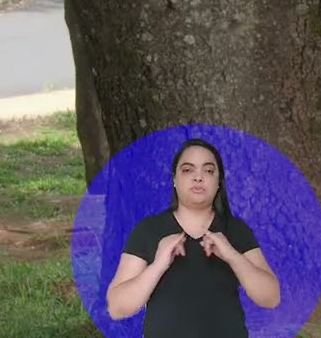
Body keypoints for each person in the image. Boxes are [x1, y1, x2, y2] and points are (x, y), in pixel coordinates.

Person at [106, 138, 281, 337]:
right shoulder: (148, 230)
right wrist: (158, 265)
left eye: (208, 171)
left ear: (218, 182)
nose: (198, 177)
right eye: (188, 170)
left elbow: (271, 297)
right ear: (174, 179)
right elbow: (117, 308)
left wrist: (232, 255)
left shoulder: (235, 230)